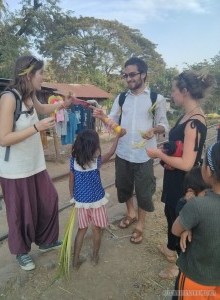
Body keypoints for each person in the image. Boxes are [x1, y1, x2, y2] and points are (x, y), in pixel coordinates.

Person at [0, 55, 71, 271]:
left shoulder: (30, 95)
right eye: (41, 73)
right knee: (20, 211)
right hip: (14, 168)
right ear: (29, 75)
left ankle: (46, 241)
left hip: (35, 164)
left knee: (49, 199)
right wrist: (36, 128)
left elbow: (43, 109)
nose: (43, 77)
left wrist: (64, 104)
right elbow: (4, 138)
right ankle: (21, 251)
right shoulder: (9, 99)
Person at [92, 57, 168, 244]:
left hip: (144, 155)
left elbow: (163, 123)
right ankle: (130, 213)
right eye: (126, 75)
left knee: (143, 191)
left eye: (132, 74)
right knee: (124, 187)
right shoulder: (122, 98)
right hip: (123, 152)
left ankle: (140, 224)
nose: (128, 79)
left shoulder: (156, 98)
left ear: (143, 74)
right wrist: (103, 117)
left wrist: (155, 130)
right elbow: (112, 119)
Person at [146, 70, 214, 279]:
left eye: (174, 90)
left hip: (182, 181)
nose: (172, 95)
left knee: (180, 218)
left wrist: (158, 154)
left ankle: (178, 265)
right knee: (170, 213)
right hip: (174, 178)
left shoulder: (194, 122)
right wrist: (165, 148)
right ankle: (170, 247)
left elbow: (187, 163)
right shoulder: (187, 115)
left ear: (184, 91)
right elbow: (180, 146)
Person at [69, 129, 125, 268]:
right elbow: (111, 152)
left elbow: (71, 182)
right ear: (93, 146)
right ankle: (95, 257)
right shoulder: (96, 161)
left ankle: (75, 261)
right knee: (96, 229)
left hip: (81, 202)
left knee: (81, 229)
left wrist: (73, 198)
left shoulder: (73, 161)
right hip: (97, 202)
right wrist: (117, 137)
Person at [172, 142, 220, 299]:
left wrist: (189, 224)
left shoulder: (197, 205)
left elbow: (175, 229)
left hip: (197, 278)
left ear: (207, 170)